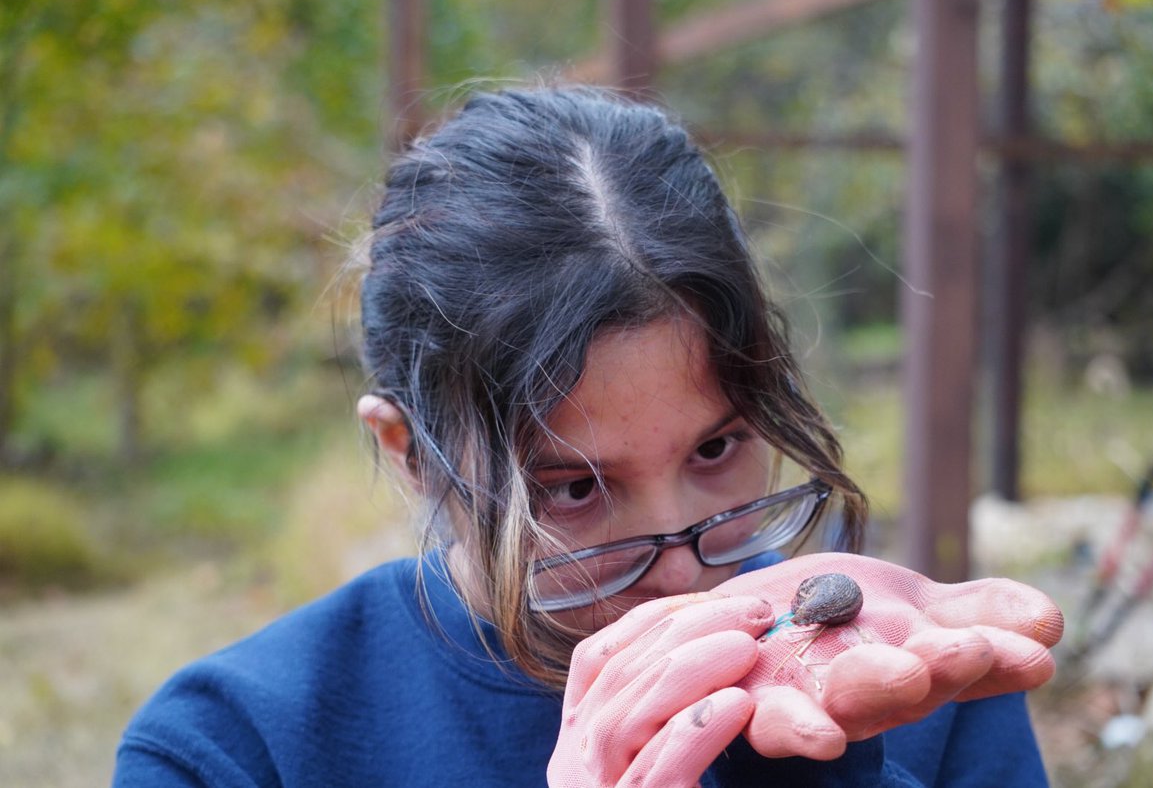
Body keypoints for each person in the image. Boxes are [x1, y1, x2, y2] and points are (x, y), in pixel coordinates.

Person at [112, 86, 1063, 787]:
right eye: (571, 488)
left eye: (717, 448)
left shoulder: (915, 687)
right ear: (408, 456)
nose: (685, 570)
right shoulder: (233, 747)